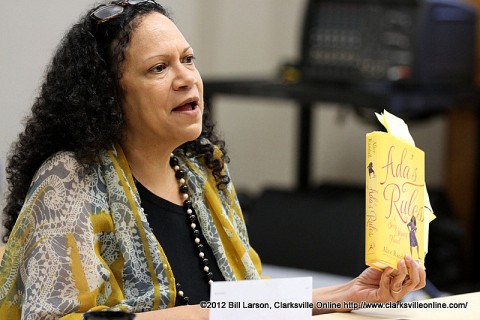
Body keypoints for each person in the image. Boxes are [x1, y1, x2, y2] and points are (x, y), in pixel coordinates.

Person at [0, 1, 426, 319]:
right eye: (158, 68)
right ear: (108, 95)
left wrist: (348, 293)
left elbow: (246, 301)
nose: (187, 78)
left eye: (188, 59)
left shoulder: (201, 172)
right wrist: (219, 315)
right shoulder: (69, 179)